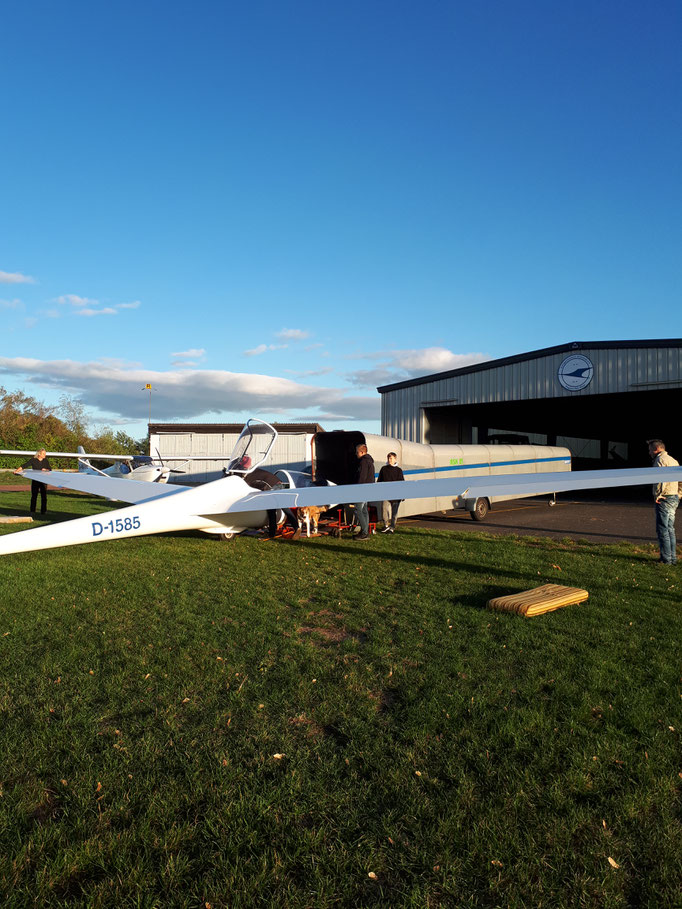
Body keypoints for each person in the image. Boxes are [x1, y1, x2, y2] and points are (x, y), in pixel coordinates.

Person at [238, 462, 301, 540]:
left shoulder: (248, 476)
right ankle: (296, 527)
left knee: (271, 511)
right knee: (284, 507)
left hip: (272, 487)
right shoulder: (254, 470)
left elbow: (246, 487)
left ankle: (272, 533)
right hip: (278, 484)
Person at [648, 439, 681, 565]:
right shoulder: (674, 460)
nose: (649, 452)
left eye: (650, 449)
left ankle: (666, 560)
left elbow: (660, 480)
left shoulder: (660, 460)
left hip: (664, 498)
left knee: (662, 530)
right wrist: (679, 494)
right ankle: (673, 559)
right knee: (670, 529)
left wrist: (658, 495)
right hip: (674, 497)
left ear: (656, 449)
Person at [14, 448, 52, 515]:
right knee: (34, 496)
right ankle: (32, 511)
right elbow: (24, 465)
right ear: (39, 454)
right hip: (35, 480)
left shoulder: (46, 461)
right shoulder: (33, 460)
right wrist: (17, 471)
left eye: (45, 453)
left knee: (44, 497)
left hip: (43, 481)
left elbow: (50, 469)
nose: (45, 455)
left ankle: (44, 511)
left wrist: (46, 470)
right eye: (43, 453)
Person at [352, 443, 375, 541]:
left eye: (357, 452)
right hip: (369, 489)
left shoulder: (363, 462)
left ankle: (364, 532)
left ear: (362, 452)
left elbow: (362, 477)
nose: (356, 454)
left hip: (362, 489)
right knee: (364, 510)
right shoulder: (370, 461)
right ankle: (365, 531)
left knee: (359, 510)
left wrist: (358, 489)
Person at [378, 452, 404, 533]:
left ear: (395, 459)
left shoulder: (399, 470)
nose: (389, 460)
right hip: (386, 493)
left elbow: (402, 483)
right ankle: (386, 525)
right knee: (384, 509)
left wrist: (402, 495)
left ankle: (392, 527)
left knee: (394, 513)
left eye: (391, 458)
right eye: (388, 458)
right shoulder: (383, 469)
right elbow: (379, 481)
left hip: (396, 495)